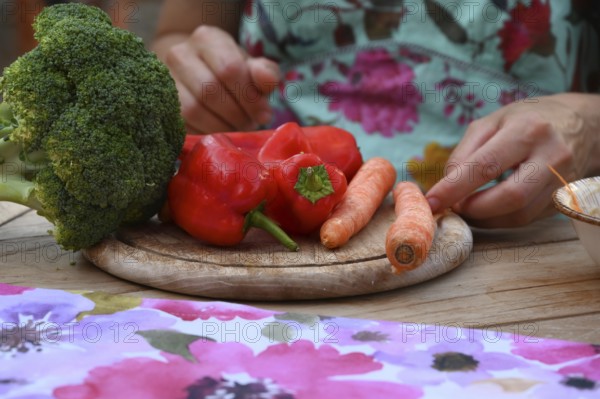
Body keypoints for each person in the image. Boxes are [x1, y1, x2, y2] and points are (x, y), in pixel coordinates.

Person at [152, 0, 600, 228]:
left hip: (535, 247)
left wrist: (586, 123)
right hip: (264, 239)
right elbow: (173, 37)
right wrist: (190, 76)